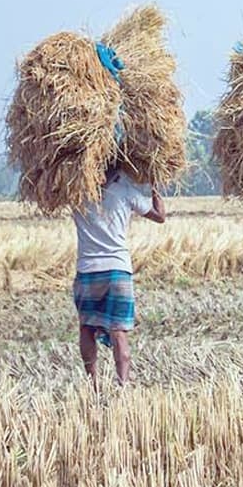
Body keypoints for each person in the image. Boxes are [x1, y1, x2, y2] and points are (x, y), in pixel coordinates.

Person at [72, 166, 166, 389]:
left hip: (87, 269)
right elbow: (160, 216)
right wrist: (155, 186)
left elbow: (48, 194)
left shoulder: (76, 192)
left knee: (86, 327)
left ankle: (92, 384)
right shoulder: (124, 191)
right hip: (117, 270)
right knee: (118, 331)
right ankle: (122, 385)